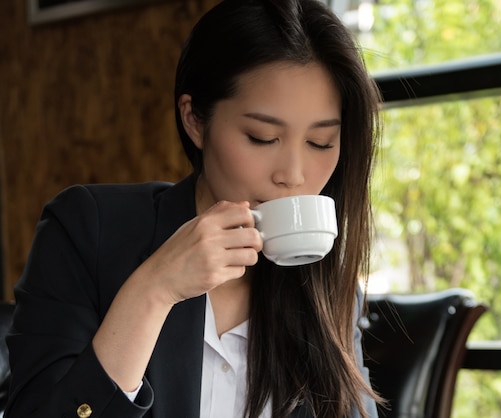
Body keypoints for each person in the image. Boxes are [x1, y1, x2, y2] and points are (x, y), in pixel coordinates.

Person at [5, 0, 383, 416]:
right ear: (195, 121)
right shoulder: (86, 229)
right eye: (261, 137)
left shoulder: (327, 289)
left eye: (320, 143)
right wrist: (153, 291)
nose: (293, 175)